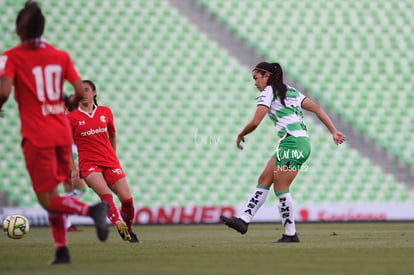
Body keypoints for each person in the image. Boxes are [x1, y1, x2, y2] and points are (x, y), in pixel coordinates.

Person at [0, 0, 109, 264]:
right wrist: (65, 103)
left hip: (38, 136)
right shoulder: (61, 56)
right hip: (61, 131)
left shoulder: (12, 56)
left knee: (48, 200)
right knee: (59, 194)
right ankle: (62, 251)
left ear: (19, 30)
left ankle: (91, 211)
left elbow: (3, 91)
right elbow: (79, 90)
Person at [220, 62, 346, 242]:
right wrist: (333, 131)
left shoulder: (268, 92)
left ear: (267, 76)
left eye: (256, 78)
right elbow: (317, 108)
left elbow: (256, 122)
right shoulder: (291, 91)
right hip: (294, 142)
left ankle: (290, 234)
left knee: (281, 188)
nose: (255, 83)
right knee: (264, 179)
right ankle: (243, 220)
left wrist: (241, 133)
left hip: (292, 143)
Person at [67, 80, 139, 243]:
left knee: (127, 200)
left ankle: (129, 229)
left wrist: (113, 155)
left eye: (86, 90)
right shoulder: (71, 118)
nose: (84, 93)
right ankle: (119, 223)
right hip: (89, 164)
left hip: (110, 161)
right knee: (106, 195)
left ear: (94, 93)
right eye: (80, 91)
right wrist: (74, 169)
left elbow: (112, 134)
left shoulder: (106, 112)